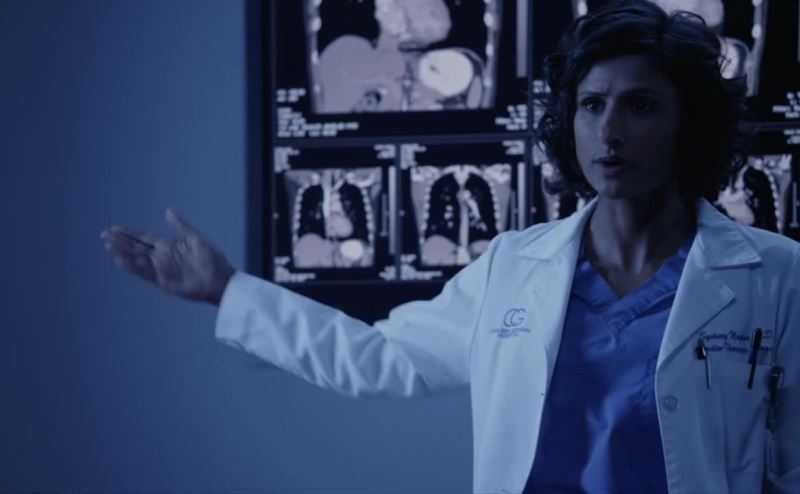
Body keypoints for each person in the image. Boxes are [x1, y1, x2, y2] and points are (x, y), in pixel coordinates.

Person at [100, 1, 800, 492]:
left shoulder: (774, 274)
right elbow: (380, 358)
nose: (610, 129)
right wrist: (227, 291)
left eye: (641, 105)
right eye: (593, 104)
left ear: (688, 125)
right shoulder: (513, 266)